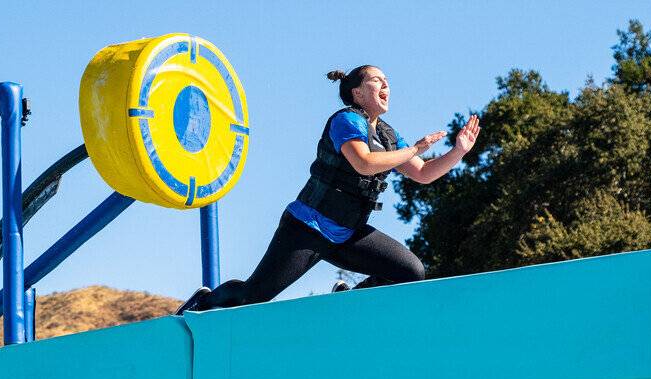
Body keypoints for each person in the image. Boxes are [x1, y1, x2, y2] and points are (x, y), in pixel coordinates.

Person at [177, 64, 481, 314]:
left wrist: (458, 152)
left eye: (387, 80)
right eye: (377, 80)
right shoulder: (346, 120)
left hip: (347, 233)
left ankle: (347, 301)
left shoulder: (388, 135)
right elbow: (364, 163)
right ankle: (204, 301)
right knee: (253, 297)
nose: (386, 84)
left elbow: (423, 173)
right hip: (307, 228)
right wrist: (415, 148)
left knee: (411, 272)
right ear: (357, 92)